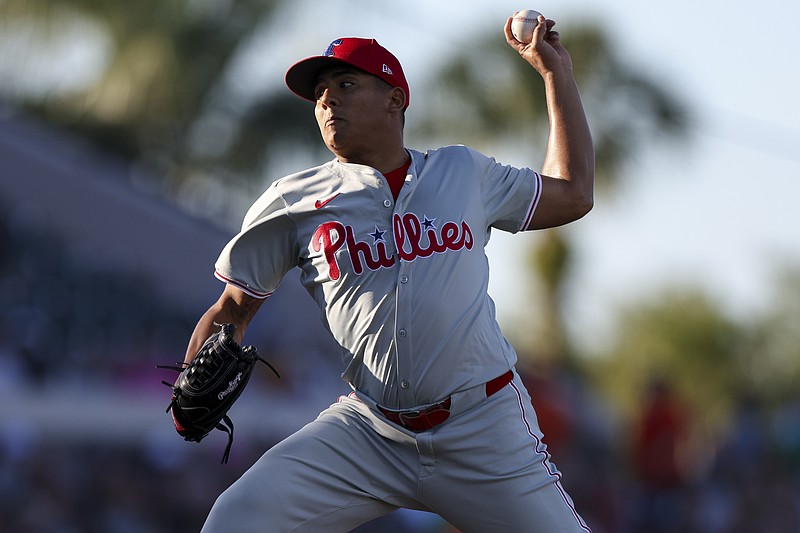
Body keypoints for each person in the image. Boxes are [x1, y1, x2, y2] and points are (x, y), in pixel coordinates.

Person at [189, 12, 594, 533]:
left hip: (482, 427)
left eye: (346, 83)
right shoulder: (293, 201)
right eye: (320, 94)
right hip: (371, 432)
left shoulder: (462, 172)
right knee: (235, 519)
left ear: (395, 100)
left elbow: (573, 193)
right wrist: (189, 383)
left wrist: (554, 73)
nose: (328, 100)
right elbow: (232, 309)